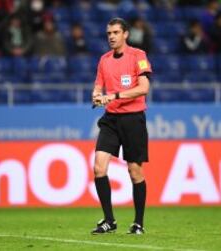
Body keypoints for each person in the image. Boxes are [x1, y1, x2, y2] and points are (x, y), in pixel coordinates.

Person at [91, 17, 151, 235]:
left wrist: (113, 95)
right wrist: (97, 95)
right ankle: (109, 220)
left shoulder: (138, 56)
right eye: (109, 33)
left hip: (133, 119)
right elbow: (98, 85)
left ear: (126, 34)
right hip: (111, 119)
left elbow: (144, 88)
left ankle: (138, 223)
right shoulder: (104, 60)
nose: (112, 37)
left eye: (116, 32)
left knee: (135, 172)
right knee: (99, 167)